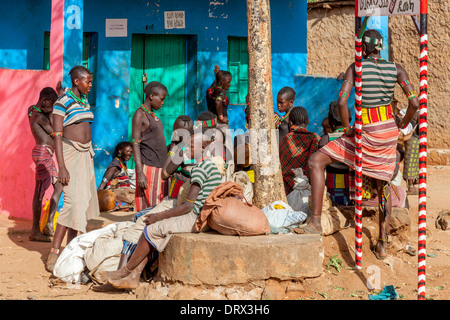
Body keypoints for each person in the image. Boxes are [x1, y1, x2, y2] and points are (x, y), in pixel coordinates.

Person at [305, 29, 419, 261]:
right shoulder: (397, 69)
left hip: (366, 129)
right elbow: (415, 103)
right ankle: (382, 243)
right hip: (388, 131)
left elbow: (342, 101)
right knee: (382, 183)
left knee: (316, 160)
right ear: (380, 46)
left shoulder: (355, 67)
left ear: (364, 47)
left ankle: (315, 221)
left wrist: (347, 127)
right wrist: (401, 126)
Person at [99, 129, 222, 290]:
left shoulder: (200, 169)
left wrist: (158, 216)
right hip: (201, 215)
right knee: (153, 230)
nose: (187, 150)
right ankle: (132, 277)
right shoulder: (210, 166)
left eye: (191, 146)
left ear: (203, 147)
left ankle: (125, 272)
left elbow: (188, 206)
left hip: (195, 217)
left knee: (150, 229)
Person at [118, 115, 194, 269]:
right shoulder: (188, 148)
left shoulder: (185, 151)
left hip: (178, 202)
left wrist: (174, 148)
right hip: (177, 200)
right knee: (139, 216)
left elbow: (164, 174)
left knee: (142, 221)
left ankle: (123, 269)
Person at [46, 66, 100, 272]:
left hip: (86, 154)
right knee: (71, 202)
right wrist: (62, 167)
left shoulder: (83, 101)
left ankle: (70, 250)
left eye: (91, 81)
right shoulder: (62, 103)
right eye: (88, 82)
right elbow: (57, 136)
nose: (91, 85)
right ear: (76, 82)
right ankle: (54, 251)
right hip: (69, 154)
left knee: (82, 203)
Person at [28, 87, 62, 242]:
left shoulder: (35, 112)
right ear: (44, 100)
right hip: (43, 153)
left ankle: (46, 225)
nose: (53, 106)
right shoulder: (39, 116)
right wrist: (56, 110)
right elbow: (55, 133)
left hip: (44, 153)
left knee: (53, 187)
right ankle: (37, 229)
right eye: (52, 103)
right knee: (41, 192)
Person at [132, 81, 169, 212]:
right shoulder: (140, 114)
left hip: (159, 166)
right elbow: (135, 143)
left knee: (159, 205)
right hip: (149, 166)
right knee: (150, 208)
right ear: (152, 96)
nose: (162, 103)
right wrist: (140, 172)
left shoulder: (151, 114)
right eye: (161, 99)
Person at [319, 101, 355, 207]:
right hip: (356, 188)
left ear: (330, 121)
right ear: (349, 120)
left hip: (334, 188)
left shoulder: (326, 140)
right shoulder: (356, 138)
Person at [280, 106, 320, 195]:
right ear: (308, 121)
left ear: (290, 122)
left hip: (287, 188)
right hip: (308, 187)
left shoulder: (287, 139)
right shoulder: (314, 139)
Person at [98, 141, 135, 206]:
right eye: (127, 151)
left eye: (131, 152)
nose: (129, 154)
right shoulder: (115, 165)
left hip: (123, 194)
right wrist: (98, 197)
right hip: (114, 195)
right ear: (120, 151)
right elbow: (104, 181)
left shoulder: (123, 164)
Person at [206, 65, 232, 133]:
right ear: (222, 82)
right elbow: (218, 101)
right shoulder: (222, 91)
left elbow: (216, 83)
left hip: (210, 122)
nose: (230, 84)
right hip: (220, 124)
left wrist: (217, 76)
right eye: (228, 82)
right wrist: (221, 118)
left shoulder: (211, 90)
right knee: (226, 143)